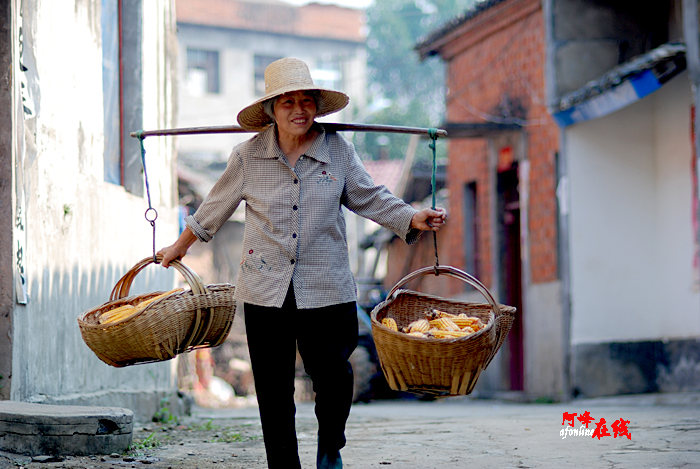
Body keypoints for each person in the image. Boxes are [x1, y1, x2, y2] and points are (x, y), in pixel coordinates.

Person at [158, 57, 446, 469]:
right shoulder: (247, 157)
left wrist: (410, 216)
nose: (299, 110)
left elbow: (371, 196)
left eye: (306, 100)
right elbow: (212, 209)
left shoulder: (338, 152)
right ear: (272, 110)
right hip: (264, 289)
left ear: (317, 106)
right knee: (273, 389)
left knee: (333, 377)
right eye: (288, 102)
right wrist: (179, 246)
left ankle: (331, 445)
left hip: (326, 285)